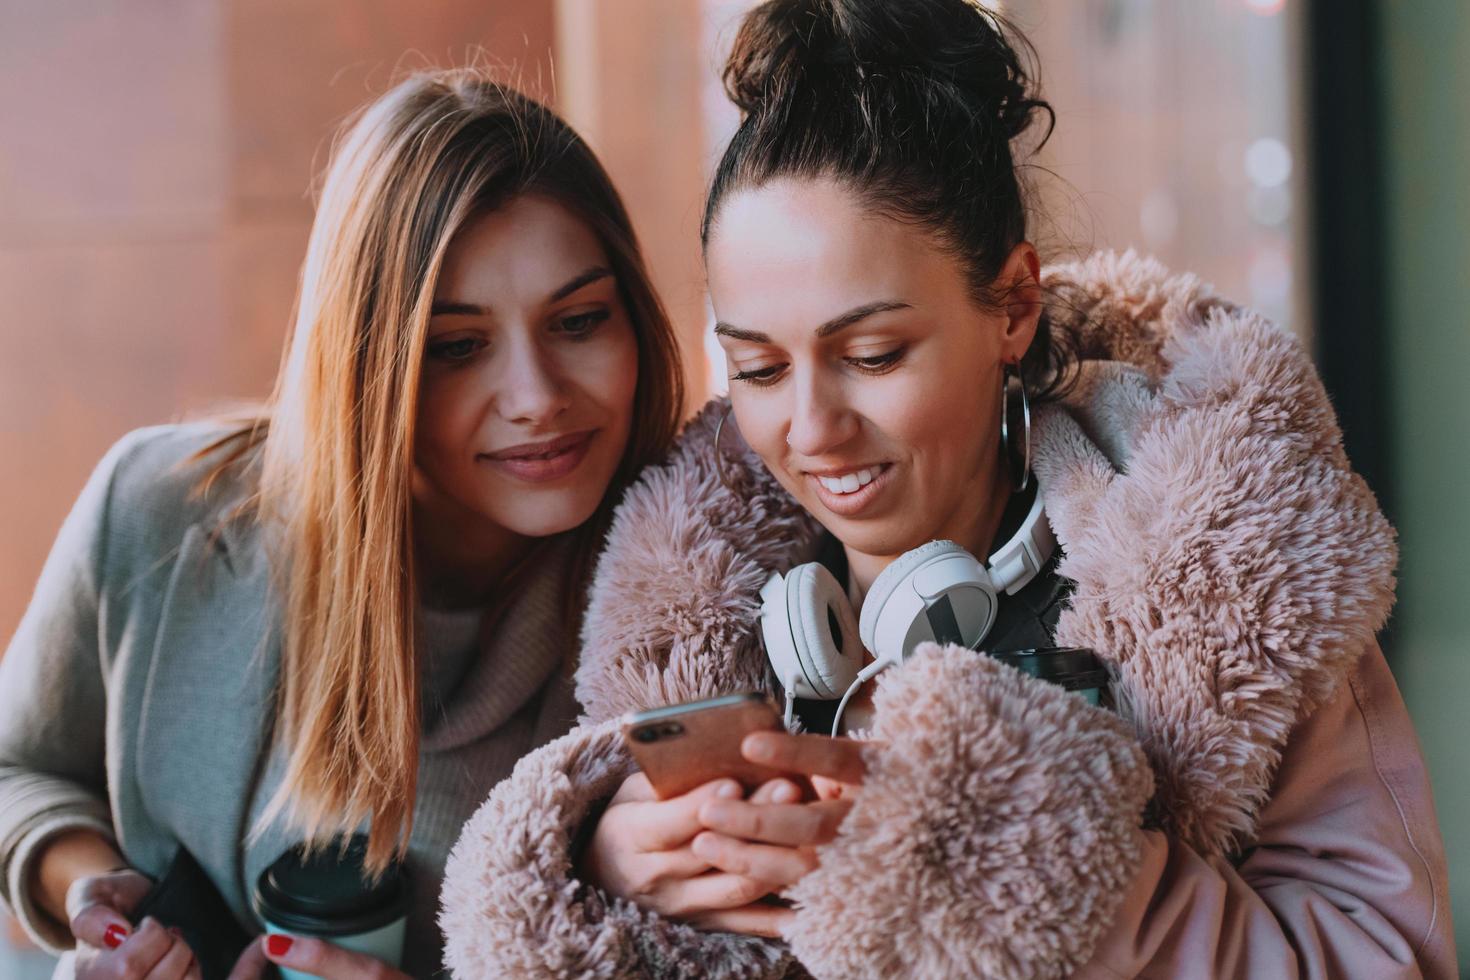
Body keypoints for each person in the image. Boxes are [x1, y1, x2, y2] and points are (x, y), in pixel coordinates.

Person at [441, 1, 1458, 978]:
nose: (810, 426)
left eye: (874, 353)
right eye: (755, 367)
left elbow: (1382, 959)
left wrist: (1010, 868)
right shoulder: (685, 617)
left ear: (1014, 305)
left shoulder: (1236, 571)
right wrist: (611, 888)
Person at [0, 67, 684, 979]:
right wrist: (97, 900)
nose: (536, 398)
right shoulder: (154, 506)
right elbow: (16, 771)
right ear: (365, 362)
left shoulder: (687, 597)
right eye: (458, 346)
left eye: (580, 320)